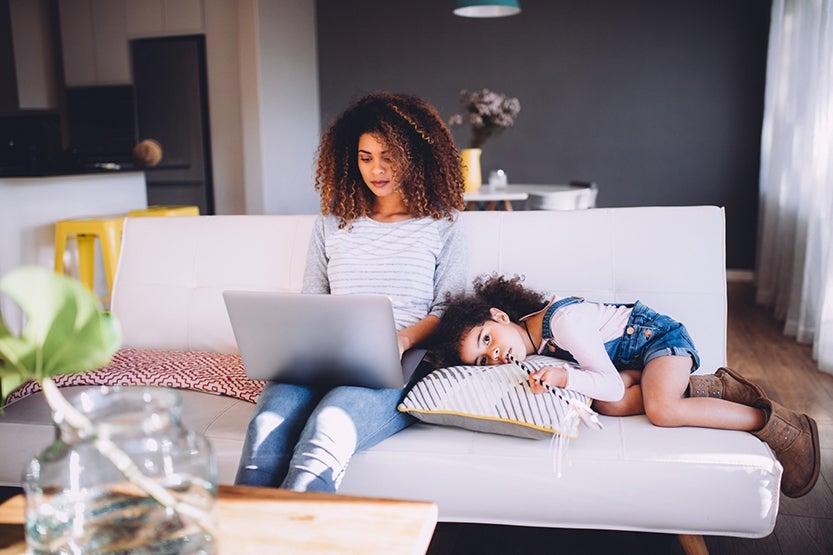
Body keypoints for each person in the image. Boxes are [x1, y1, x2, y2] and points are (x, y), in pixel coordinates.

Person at [235, 92, 467, 492]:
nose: (376, 169)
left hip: (399, 362)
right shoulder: (331, 224)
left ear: (415, 156)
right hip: (322, 356)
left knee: (327, 429)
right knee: (263, 430)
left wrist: (402, 339)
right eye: (365, 157)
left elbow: (448, 310)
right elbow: (312, 300)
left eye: (389, 157)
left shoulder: (443, 224)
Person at [430, 274, 820, 498]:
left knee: (663, 410)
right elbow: (610, 393)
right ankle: (713, 389)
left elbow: (611, 386)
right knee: (607, 406)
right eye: (483, 360)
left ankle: (780, 426)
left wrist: (565, 377)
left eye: (486, 339)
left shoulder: (562, 324)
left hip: (658, 341)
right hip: (630, 361)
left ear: (500, 315)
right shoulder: (534, 339)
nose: (495, 354)